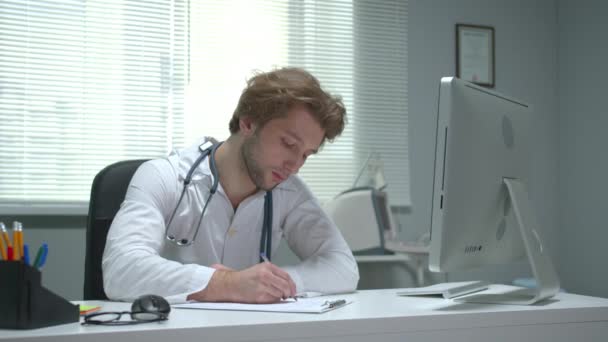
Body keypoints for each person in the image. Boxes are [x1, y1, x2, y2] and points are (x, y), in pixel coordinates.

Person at [102, 67, 359, 304]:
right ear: (248, 123)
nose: (295, 165)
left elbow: (343, 267)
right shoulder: (164, 176)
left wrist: (274, 283)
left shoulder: (290, 192)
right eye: (289, 144)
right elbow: (121, 269)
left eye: (306, 154)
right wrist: (226, 284)